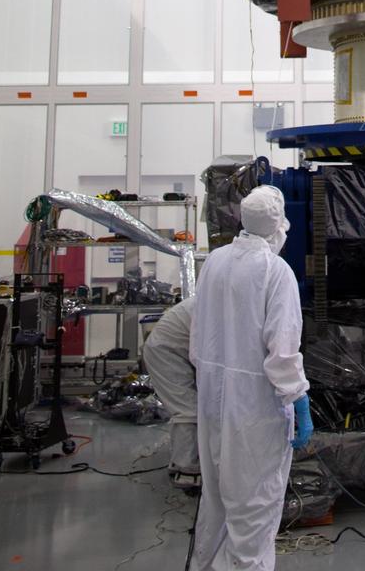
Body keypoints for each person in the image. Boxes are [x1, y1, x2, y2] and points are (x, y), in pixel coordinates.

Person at [190, 186, 312, 571]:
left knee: (216, 499)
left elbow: (199, 335)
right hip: (255, 407)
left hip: (212, 399)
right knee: (255, 504)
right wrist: (298, 397)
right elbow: (282, 349)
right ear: (277, 225)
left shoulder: (215, 261)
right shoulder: (275, 271)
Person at [142, 294, 198, 480]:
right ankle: (187, 470)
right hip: (166, 352)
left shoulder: (216, 300)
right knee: (188, 408)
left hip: (178, 351)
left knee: (193, 407)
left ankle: (187, 462)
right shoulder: (213, 305)